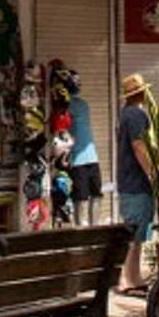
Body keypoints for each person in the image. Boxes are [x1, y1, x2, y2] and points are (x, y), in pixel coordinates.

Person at [116, 73, 155, 294]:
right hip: (136, 183)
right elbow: (139, 146)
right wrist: (152, 173)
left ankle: (134, 277)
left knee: (138, 234)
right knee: (134, 233)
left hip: (128, 181)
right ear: (140, 93)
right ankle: (125, 279)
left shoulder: (126, 114)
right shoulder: (136, 116)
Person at [68, 81, 102, 225]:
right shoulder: (65, 107)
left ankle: (93, 229)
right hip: (77, 159)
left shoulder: (83, 104)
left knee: (96, 195)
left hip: (91, 157)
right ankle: (80, 230)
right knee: (81, 198)